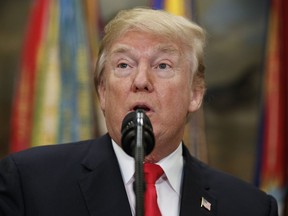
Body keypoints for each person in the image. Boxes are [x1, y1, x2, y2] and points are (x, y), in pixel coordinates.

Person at [0, 8, 278, 216]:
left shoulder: (250, 207)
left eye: (163, 65)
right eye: (123, 65)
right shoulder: (30, 183)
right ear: (103, 92)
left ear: (195, 94)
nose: (141, 80)